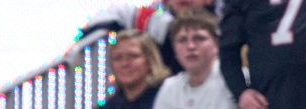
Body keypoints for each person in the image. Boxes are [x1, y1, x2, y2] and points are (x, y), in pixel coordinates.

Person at [82, 1, 216, 73]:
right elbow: (114, 13)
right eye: (182, 39)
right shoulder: (155, 19)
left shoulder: (228, 22)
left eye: (198, 38)